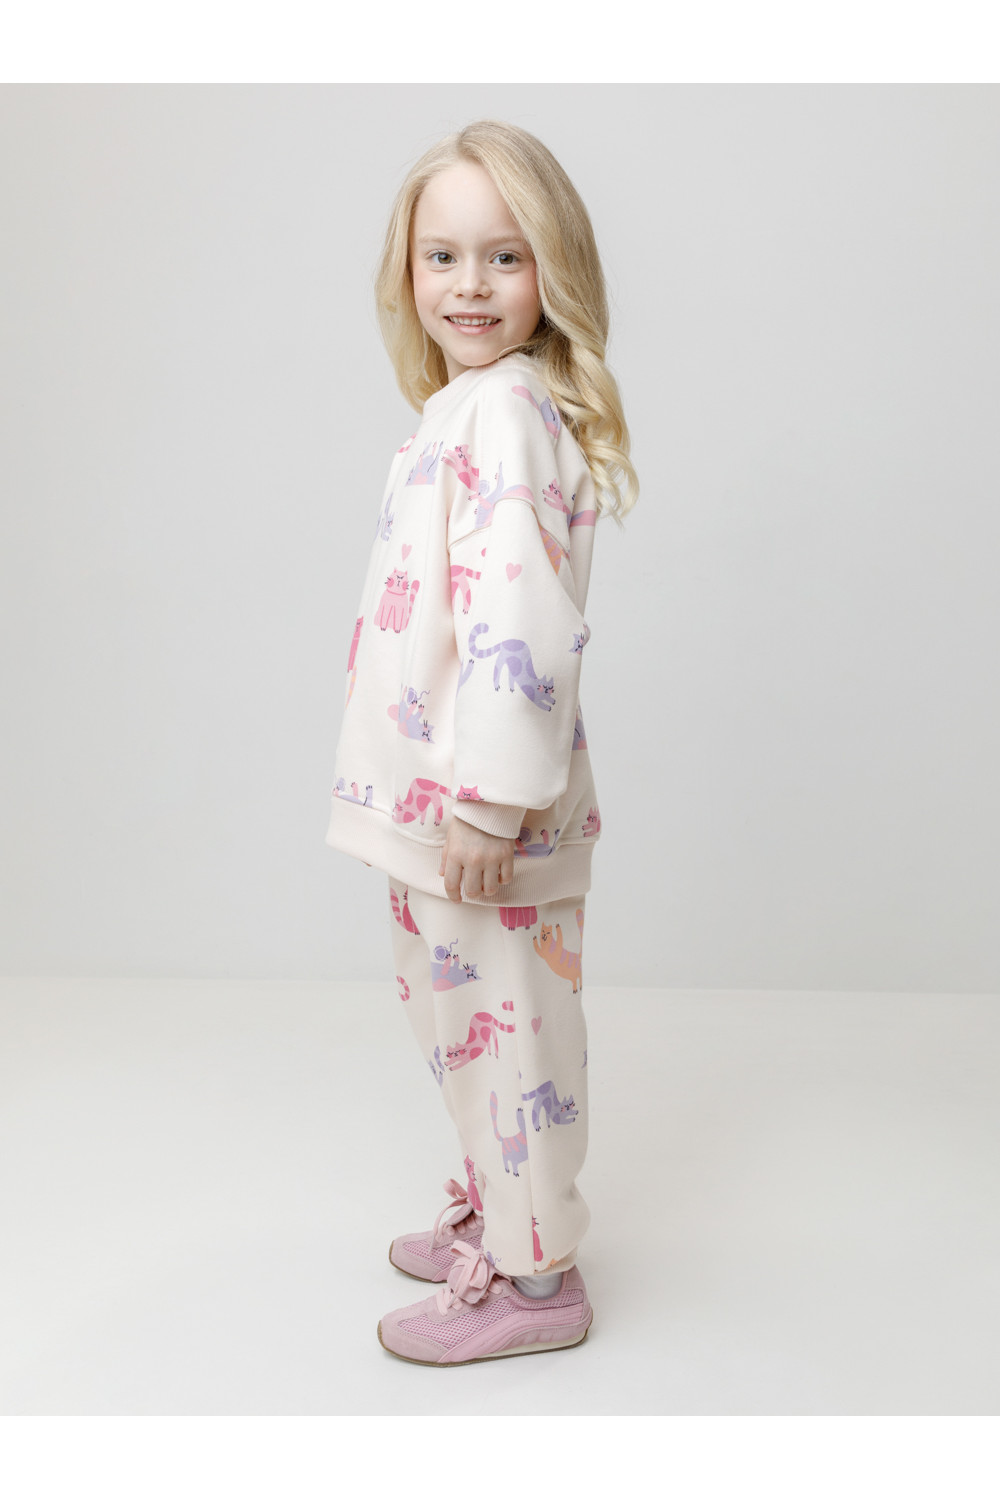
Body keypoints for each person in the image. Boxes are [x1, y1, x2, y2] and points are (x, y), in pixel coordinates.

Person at [324, 119, 638, 1365]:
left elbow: (520, 617)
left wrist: (490, 802)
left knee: (508, 1036)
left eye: (504, 257)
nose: (468, 285)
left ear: (552, 267)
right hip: (436, 805)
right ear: (405, 269)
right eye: (441, 256)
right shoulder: (459, 408)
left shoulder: (505, 412)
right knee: (462, 1028)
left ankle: (536, 1278)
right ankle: (502, 1216)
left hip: (479, 816)